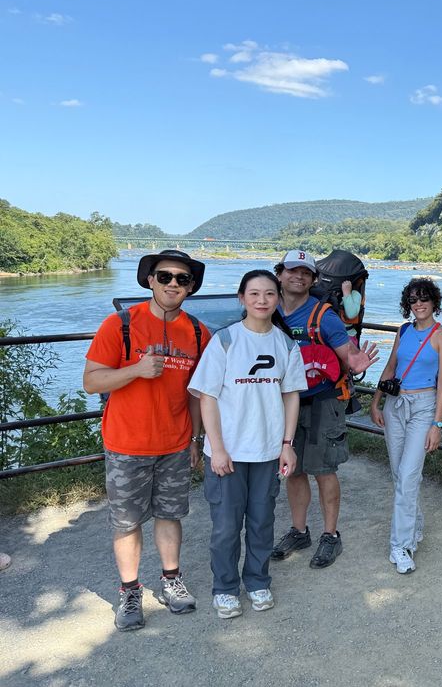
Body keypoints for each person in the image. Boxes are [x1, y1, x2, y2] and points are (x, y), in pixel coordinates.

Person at [83, 249, 210, 632]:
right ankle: (129, 591)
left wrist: (196, 437)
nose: (173, 283)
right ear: (150, 280)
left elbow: (196, 394)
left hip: (175, 443)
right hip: (126, 443)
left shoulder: (199, 333)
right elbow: (91, 382)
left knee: (171, 515)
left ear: (191, 286)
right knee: (126, 522)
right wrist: (135, 370)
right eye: (165, 276)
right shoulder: (120, 324)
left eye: (182, 279)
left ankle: (171, 581)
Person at [188, 270, 307, 619]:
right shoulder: (225, 340)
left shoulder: (286, 345)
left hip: (268, 451)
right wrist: (217, 448)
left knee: (261, 521)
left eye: (269, 294)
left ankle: (257, 580)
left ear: (278, 299)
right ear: (241, 298)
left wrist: (287, 444)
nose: (261, 300)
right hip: (228, 452)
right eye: (254, 293)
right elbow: (207, 396)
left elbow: (291, 395)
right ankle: (225, 588)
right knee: (226, 526)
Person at [270, 249, 379, 569]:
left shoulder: (324, 316)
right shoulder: (267, 309)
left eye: (305, 272)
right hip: (284, 401)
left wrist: (356, 360)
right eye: (292, 270)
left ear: (313, 279)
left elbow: (348, 354)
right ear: (280, 274)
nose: (298, 277)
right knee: (293, 470)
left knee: (324, 470)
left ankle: (330, 535)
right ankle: (299, 531)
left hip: (322, 400)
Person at [370, 278, 442, 574]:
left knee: (408, 476)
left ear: (434, 302)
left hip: (423, 407)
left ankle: (401, 545)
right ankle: (414, 524)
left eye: (424, 298)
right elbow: (391, 367)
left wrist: (437, 424)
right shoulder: (403, 331)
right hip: (395, 405)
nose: (419, 304)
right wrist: (376, 401)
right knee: (400, 474)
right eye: (413, 300)